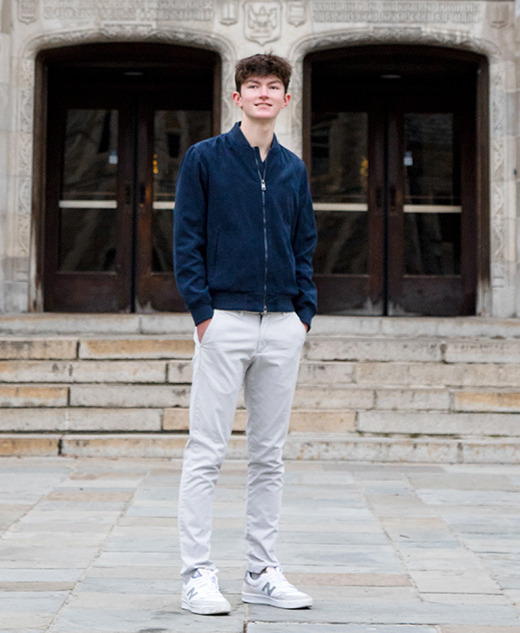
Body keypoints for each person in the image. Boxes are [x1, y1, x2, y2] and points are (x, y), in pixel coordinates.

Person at [173, 53, 317, 616]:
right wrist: (203, 313)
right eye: (252, 86)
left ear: (286, 99)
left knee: (268, 457)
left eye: (273, 86)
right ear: (237, 98)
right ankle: (197, 575)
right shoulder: (204, 159)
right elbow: (186, 239)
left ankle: (260, 571)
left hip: (282, 324)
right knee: (206, 451)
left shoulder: (294, 168)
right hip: (224, 321)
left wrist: (303, 313)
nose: (262, 94)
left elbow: (304, 243)